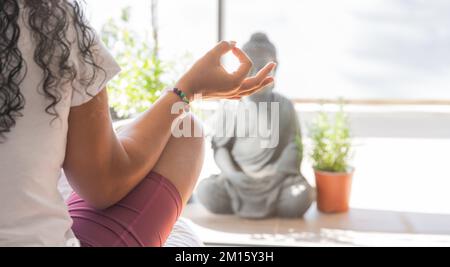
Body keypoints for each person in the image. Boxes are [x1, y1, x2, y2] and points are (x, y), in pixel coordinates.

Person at [0, 0, 275, 247]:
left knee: (130, 132)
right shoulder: (52, 22)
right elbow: (102, 187)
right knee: (184, 131)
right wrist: (187, 90)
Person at [197, 33, 313, 219]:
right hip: (238, 180)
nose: (257, 75)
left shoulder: (284, 106)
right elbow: (220, 147)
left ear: (275, 69)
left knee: (300, 196)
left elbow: (294, 146)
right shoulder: (231, 105)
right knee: (206, 191)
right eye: (252, 69)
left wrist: (277, 174)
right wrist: (233, 174)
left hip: (276, 180)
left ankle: (276, 197)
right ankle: (238, 190)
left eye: (263, 68)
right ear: (242, 70)